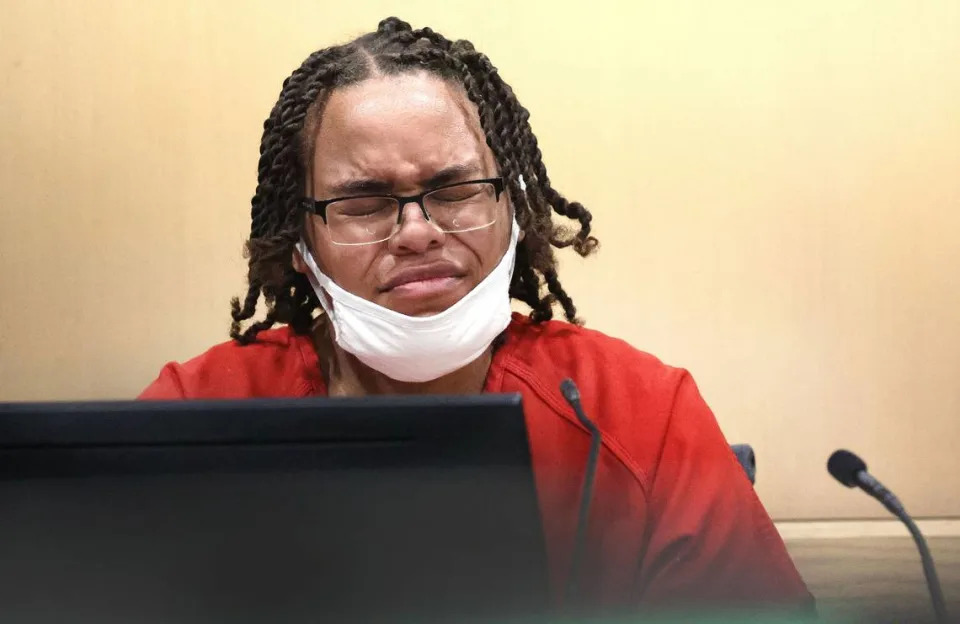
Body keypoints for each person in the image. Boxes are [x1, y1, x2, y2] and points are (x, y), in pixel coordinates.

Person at [141, 17, 813, 613]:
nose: (416, 232)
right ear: (298, 241)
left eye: (455, 189)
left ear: (513, 207)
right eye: (365, 202)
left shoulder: (641, 413)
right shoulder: (194, 413)